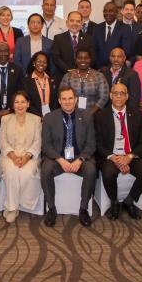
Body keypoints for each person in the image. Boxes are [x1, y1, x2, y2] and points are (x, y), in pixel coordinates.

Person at [40, 86, 97, 227]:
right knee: (45, 170)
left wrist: (80, 159)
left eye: (70, 98)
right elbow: (46, 145)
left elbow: (91, 144)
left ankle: (83, 209)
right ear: (59, 101)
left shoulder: (87, 116)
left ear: (76, 99)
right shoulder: (49, 118)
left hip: (79, 157)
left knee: (91, 170)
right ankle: (51, 208)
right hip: (57, 157)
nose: (67, 102)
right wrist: (59, 159)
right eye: (64, 99)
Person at [94, 83, 142, 220]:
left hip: (131, 155)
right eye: (115, 93)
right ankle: (114, 202)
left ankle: (129, 200)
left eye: (122, 93)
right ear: (110, 96)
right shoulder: (100, 116)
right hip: (111, 155)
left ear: (127, 96)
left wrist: (130, 156)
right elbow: (98, 143)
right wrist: (114, 157)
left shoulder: (138, 115)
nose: (118, 96)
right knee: (108, 173)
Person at [0, 91, 43, 223]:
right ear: (12, 105)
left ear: (28, 104)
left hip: (30, 156)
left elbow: (37, 142)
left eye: (23, 102)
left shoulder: (36, 120)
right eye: (17, 102)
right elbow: (2, 141)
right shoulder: (5, 119)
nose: (20, 105)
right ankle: (13, 208)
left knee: (27, 173)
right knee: (11, 172)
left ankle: (14, 203)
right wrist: (13, 156)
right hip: (9, 155)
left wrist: (26, 157)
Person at [60, 48, 109, 115]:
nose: (83, 60)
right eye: (80, 58)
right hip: (71, 114)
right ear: (76, 60)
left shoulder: (99, 76)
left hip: (95, 116)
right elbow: (62, 95)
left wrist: (89, 113)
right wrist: (76, 112)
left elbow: (104, 97)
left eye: (86, 58)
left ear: (90, 60)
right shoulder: (68, 76)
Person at [51, 11, 94, 79]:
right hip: (63, 76)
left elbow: (92, 57)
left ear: (82, 23)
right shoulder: (58, 38)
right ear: (67, 23)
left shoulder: (89, 39)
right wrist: (68, 70)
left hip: (84, 76)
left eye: (78, 21)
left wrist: (80, 70)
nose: (75, 23)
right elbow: (56, 57)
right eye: (72, 21)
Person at [92, 2, 132, 68]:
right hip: (99, 69)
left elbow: (126, 51)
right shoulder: (97, 28)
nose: (107, 13)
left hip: (117, 68)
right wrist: (99, 66)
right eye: (105, 11)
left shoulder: (124, 28)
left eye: (111, 11)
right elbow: (94, 49)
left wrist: (109, 67)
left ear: (116, 13)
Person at [25, 51, 58, 118]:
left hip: (51, 117)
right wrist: (39, 116)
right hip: (33, 117)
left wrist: (50, 115)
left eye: (44, 62)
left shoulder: (52, 80)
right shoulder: (26, 81)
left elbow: (56, 100)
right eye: (39, 61)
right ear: (34, 63)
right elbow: (26, 101)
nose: (41, 64)